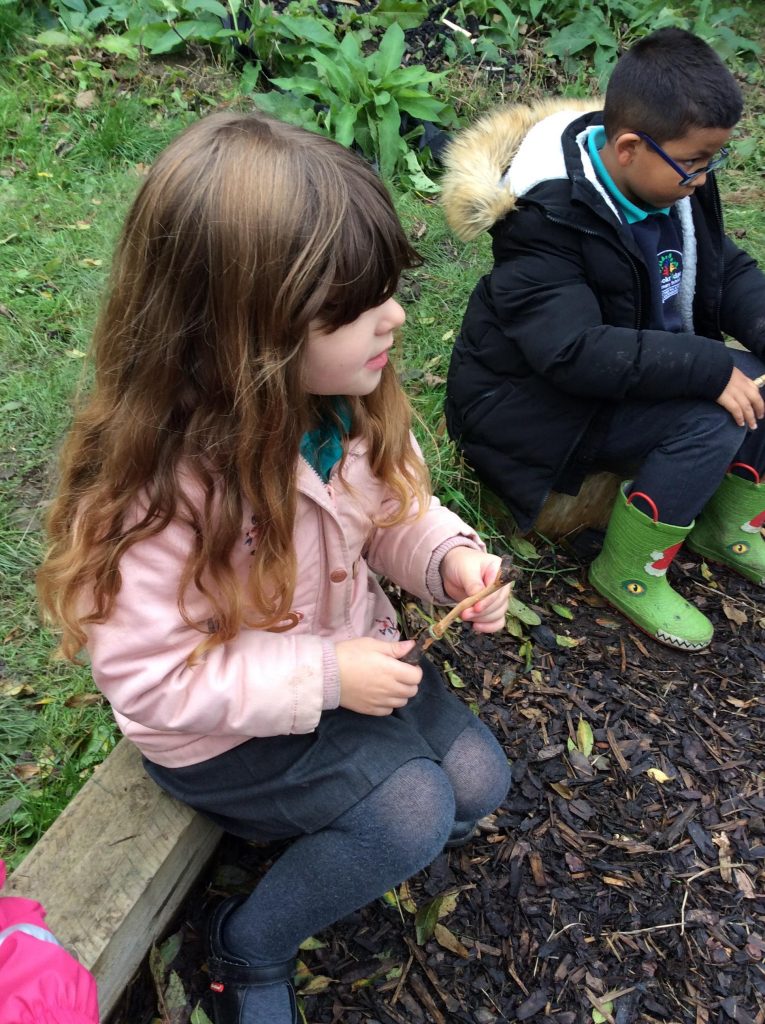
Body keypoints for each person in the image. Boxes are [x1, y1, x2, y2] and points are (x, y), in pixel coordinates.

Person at [36, 112, 513, 1024]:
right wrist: (328, 677)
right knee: (413, 810)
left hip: (346, 664)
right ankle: (245, 948)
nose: (396, 317)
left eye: (389, 290)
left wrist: (448, 559)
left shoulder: (343, 402)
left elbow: (396, 513)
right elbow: (152, 681)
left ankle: (342, 824)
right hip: (220, 732)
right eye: (356, 307)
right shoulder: (158, 490)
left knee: (475, 786)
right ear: (243, 332)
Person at [440, 27, 765, 652]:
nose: (705, 178)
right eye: (696, 162)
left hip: (629, 372)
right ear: (629, 148)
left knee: (755, 377)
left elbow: (724, 268)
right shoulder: (545, 219)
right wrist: (705, 367)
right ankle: (627, 571)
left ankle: (725, 525)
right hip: (540, 410)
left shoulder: (673, 185)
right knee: (712, 415)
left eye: (713, 160)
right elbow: (573, 352)